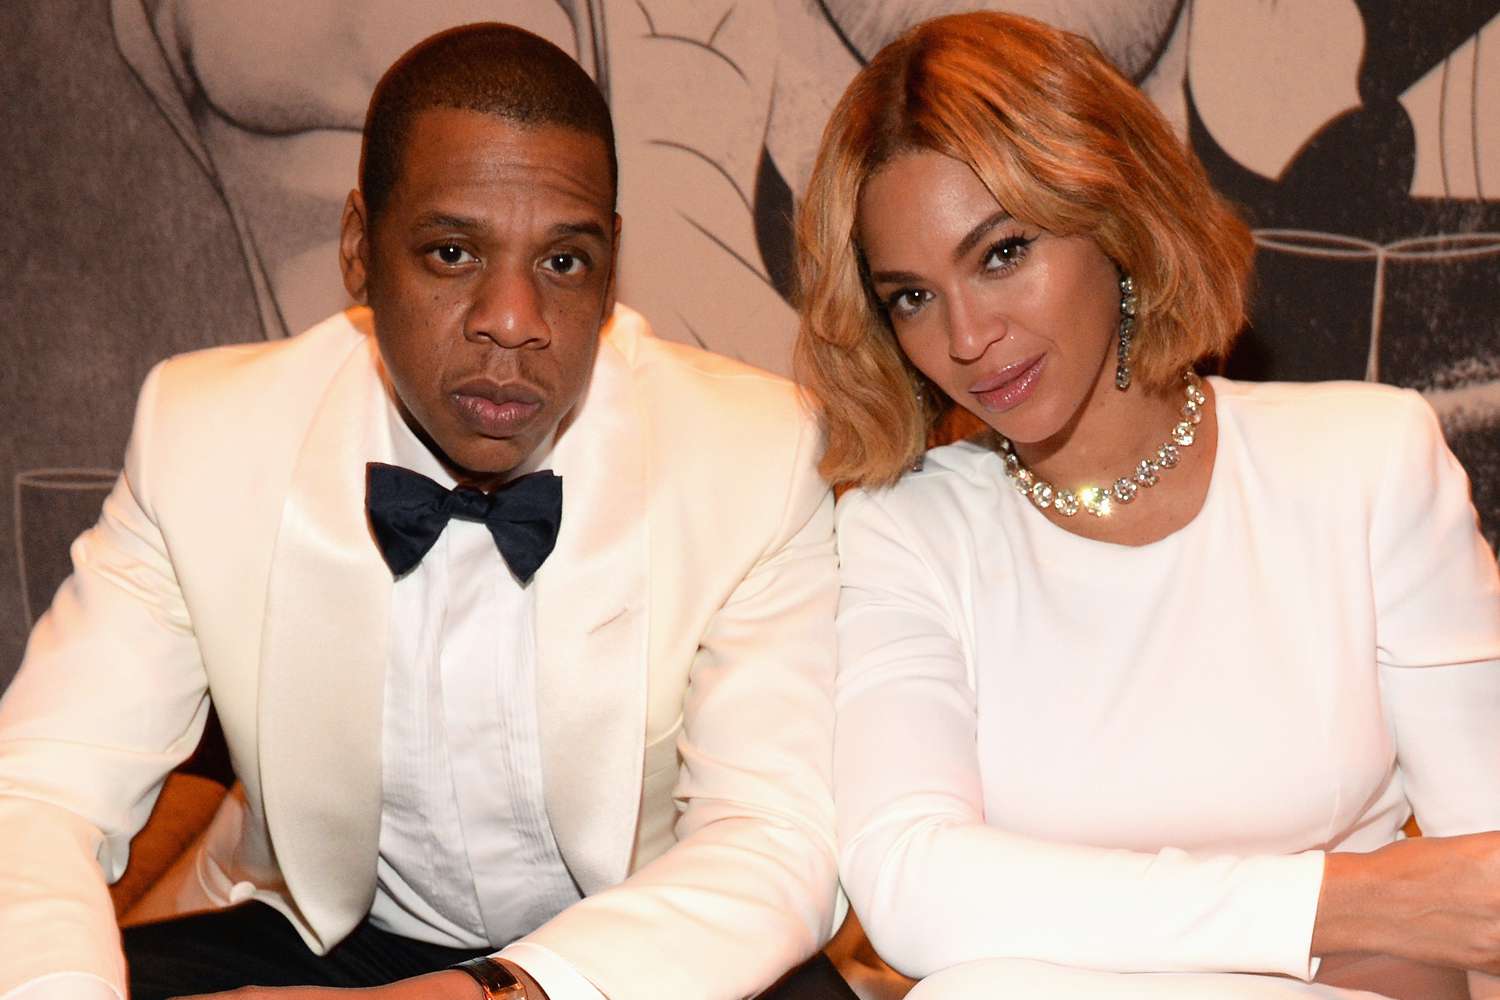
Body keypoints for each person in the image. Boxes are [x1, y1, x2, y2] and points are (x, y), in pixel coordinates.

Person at [0, 24, 853, 1000]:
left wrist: (492, 992)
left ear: (611, 265)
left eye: (563, 263)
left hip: (632, 945)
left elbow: (774, 834)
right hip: (333, 933)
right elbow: (40, 786)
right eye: (453, 252)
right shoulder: (207, 435)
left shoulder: (756, 452)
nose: (513, 319)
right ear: (360, 252)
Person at [794, 12, 1500, 1000]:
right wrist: (1346, 903)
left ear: (1113, 214)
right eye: (910, 294)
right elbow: (913, 891)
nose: (965, 336)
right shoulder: (906, 527)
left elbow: (1482, 884)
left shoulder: (1366, 462)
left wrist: (1054, 921)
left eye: (1002, 253)